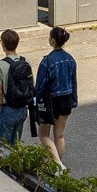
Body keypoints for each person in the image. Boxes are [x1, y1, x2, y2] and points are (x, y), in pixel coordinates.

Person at [35, 25, 77, 166]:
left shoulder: (47, 61)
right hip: (66, 100)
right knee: (59, 135)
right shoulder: (70, 59)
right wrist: (73, 101)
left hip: (50, 101)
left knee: (43, 134)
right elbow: (73, 82)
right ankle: (58, 166)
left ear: (52, 41)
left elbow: (40, 85)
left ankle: (57, 165)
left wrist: (34, 101)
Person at [0, 28, 34, 146]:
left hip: (8, 110)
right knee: (16, 143)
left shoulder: (0, 65)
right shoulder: (26, 62)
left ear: (3, 44)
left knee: (4, 145)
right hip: (22, 109)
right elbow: (31, 85)